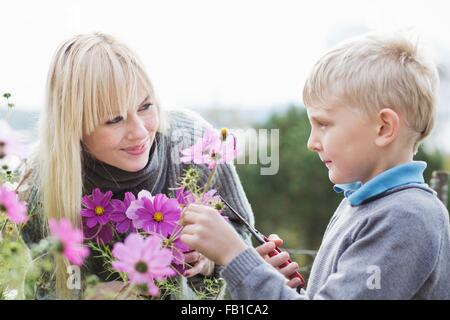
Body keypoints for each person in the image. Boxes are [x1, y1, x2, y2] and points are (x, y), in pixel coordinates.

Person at [180, 32, 450, 299]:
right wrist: (275, 284)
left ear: (383, 127)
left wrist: (235, 255)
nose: (311, 142)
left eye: (323, 124)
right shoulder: (362, 204)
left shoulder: (406, 218)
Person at [17, 32, 261, 299]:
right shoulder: (40, 180)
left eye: (146, 106)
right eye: (114, 119)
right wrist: (88, 294)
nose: (139, 132)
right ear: (73, 126)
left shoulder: (194, 143)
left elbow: (240, 235)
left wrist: (210, 259)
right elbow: (44, 284)